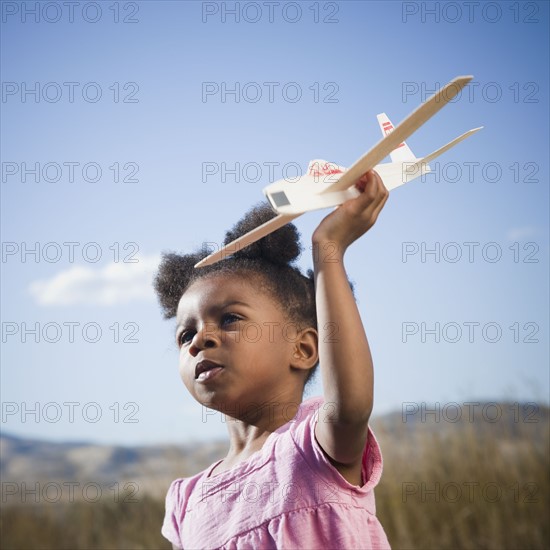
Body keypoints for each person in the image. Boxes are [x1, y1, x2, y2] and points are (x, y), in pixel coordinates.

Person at [154, 169, 391, 549]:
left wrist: (328, 246)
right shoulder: (186, 503)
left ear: (303, 349)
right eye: (186, 335)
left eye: (229, 318)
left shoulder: (314, 448)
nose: (200, 339)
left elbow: (350, 407)